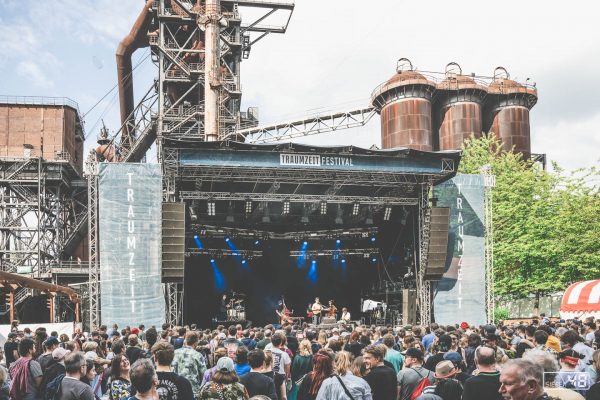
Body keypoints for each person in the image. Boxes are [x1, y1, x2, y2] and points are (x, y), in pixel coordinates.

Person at [172, 331, 207, 399]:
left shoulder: (174, 353)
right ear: (196, 342)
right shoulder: (198, 355)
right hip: (193, 391)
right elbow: (204, 374)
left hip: (176, 390)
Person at [269, 332, 291, 400]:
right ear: (281, 342)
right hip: (281, 377)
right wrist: (286, 378)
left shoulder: (266, 351)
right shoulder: (284, 354)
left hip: (268, 375)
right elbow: (287, 368)